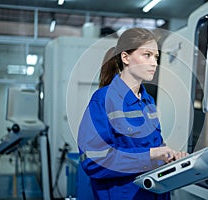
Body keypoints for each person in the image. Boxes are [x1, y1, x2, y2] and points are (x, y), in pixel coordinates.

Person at [78, 27, 187, 200]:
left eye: (156, 57)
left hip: (155, 193)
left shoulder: (148, 101)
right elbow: (93, 161)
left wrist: (169, 157)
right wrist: (150, 155)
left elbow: (155, 146)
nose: (154, 63)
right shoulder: (103, 100)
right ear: (125, 57)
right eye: (147, 55)